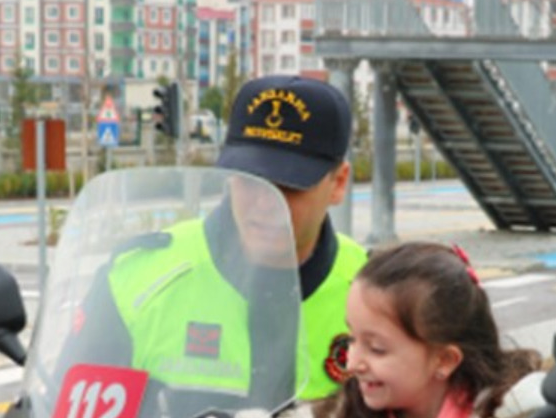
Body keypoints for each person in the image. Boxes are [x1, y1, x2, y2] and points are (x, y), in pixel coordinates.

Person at [62, 75, 368, 409]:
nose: (265, 203)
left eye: (289, 187)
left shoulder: (374, 293)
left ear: (338, 183)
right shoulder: (139, 281)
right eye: (250, 181)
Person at [318, 241, 543, 418]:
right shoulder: (342, 410)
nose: (352, 363)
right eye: (351, 340)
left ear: (444, 360)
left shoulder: (513, 409)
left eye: (377, 349)